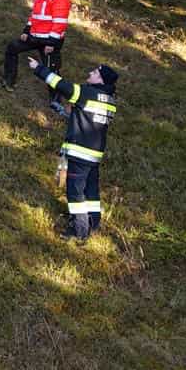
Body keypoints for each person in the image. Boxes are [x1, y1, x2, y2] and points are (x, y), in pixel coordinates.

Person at [27, 55, 118, 243]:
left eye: (94, 72)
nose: (90, 73)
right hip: (94, 155)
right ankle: (93, 223)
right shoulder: (110, 100)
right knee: (91, 191)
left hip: (79, 152)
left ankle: (79, 230)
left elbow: (61, 85)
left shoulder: (87, 93)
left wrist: (38, 68)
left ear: (101, 80)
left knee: (75, 192)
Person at [1, 0, 72, 112]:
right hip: (35, 37)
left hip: (50, 41)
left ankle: (56, 102)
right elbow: (34, 16)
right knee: (12, 48)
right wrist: (26, 31)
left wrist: (51, 43)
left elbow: (60, 23)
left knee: (52, 70)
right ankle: (8, 82)